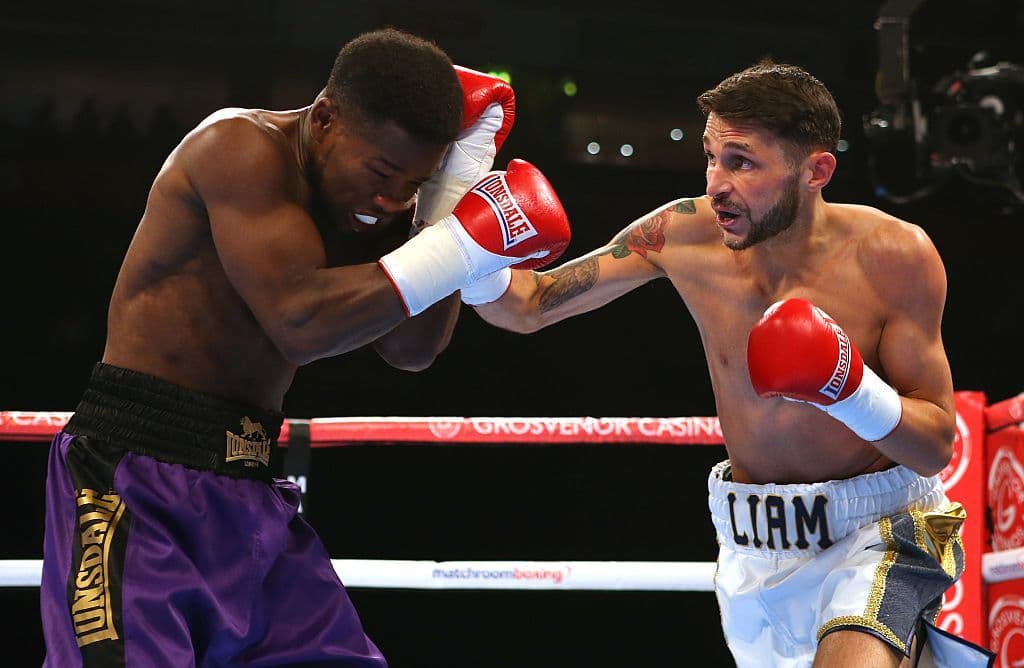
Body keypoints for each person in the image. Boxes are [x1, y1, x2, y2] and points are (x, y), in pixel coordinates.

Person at [40, 27, 571, 667]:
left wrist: (447, 206)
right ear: (324, 119)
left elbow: (411, 349)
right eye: (382, 172)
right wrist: (463, 247)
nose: (390, 199)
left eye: (413, 181)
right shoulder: (237, 148)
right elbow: (299, 322)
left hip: (249, 486)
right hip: (135, 474)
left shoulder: (372, 199)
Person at [466, 60, 994, 667]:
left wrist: (848, 389)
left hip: (878, 532)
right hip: (752, 546)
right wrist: (459, 235)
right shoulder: (680, 232)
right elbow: (527, 306)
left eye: (741, 162)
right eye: (711, 156)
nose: (716, 182)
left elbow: (934, 448)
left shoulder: (892, 254)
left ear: (816, 170)